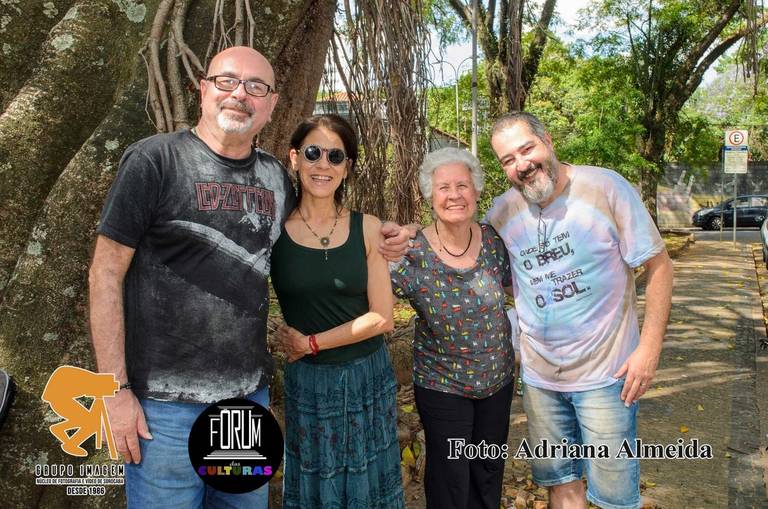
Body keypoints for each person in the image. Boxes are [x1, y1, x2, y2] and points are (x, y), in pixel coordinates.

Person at [88, 46, 411, 507]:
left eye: (255, 86)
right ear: (203, 89)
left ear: (271, 104)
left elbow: (320, 241)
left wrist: (397, 236)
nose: (240, 94)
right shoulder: (155, 161)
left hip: (245, 402)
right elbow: (105, 273)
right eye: (227, 81)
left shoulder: (274, 178)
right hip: (163, 405)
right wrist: (114, 391)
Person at [485, 112, 673, 509]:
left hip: (608, 377)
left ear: (547, 140)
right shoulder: (501, 213)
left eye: (526, 149)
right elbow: (468, 252)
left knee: (615, 498)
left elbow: (659, 265)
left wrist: (649, 349)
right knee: (561, 487)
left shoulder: (605, 187)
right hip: (540, 380)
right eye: (507, 160)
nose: (521, 165)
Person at [270, 114, 404, 508]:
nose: (323, 164)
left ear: (347, 168)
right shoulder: (273, 231)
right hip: (310, 385)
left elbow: (382, 317)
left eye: (335, 156)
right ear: (294, 159)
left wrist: (310, 342)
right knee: (316, 482)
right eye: (313, 153)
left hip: (366, 377)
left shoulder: (367, 227)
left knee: (370, 479)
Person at [389, 147, 515, 509]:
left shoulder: (495, 241)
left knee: (487, 475)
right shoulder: (411, 251)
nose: (454, 194)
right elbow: (371, 293)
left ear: (476, 191)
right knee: (450, 481)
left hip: (498, 382)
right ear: (430, 195)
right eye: (444, 187)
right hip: (443, 385)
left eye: (463, 185)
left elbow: (521, 287)